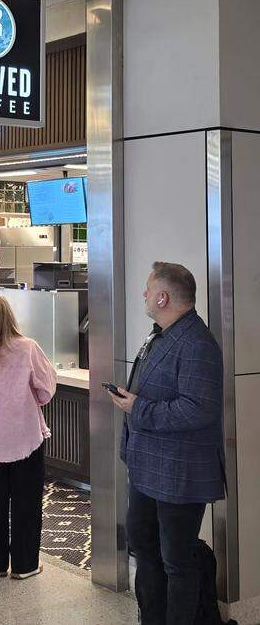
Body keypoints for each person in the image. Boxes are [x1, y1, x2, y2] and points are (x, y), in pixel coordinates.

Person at [108, 262, 225, 625]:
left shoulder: (197, 343)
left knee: (177, 561)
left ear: (163, 297)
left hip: (178, 474)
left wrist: (137, 408)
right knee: (145, 550)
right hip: (147, 467)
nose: (143, 294)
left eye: (148, 288)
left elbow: (199, 409)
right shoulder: (161, 334)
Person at [0, 295, 57, 579]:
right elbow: (46, 389)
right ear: (10, 317)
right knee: (26, 502)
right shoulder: (28, 348)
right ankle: (24, 565)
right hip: (24, 438)